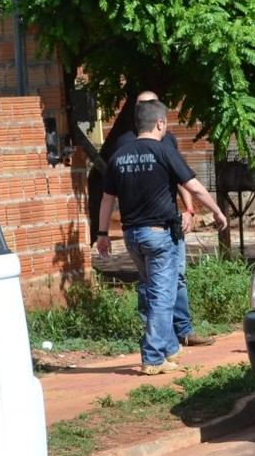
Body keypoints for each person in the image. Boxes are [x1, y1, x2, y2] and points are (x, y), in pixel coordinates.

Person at [97, 98, 228, 375]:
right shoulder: (163, 150)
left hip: (132, 238)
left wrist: (102, 233)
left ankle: (169, 347)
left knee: (154, 291)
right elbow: (194, 186)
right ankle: (153, 356)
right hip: (158, 236)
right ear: (160, 123)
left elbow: (107, 199)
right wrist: (217, 211)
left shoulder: (119, 155)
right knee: (162, 297)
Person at [117, 91, 214, 348]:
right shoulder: (125, 142)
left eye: (153, 104)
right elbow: (115, 190)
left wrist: (189, 210)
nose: (149, 109)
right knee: (151, 285)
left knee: (177, 277)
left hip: (170, 221)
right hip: (148, 226)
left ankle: (181, 332)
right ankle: (154, 340)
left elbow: (181, 178)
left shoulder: (167, 141)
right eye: (144, 105)